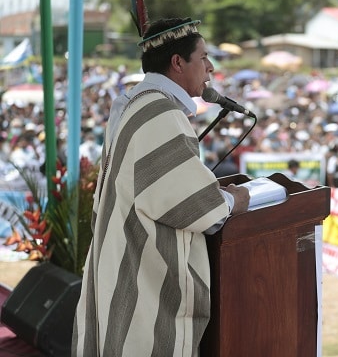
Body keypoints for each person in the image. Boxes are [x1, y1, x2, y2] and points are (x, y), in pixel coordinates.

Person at [72, 17, 250, 356]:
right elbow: (198, 208)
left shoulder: (137, 102)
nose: (210, 68)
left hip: (125, 255)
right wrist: (235, 200)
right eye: (203, 57)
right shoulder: (159, 113)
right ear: (178, 62)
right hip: (140, 274)